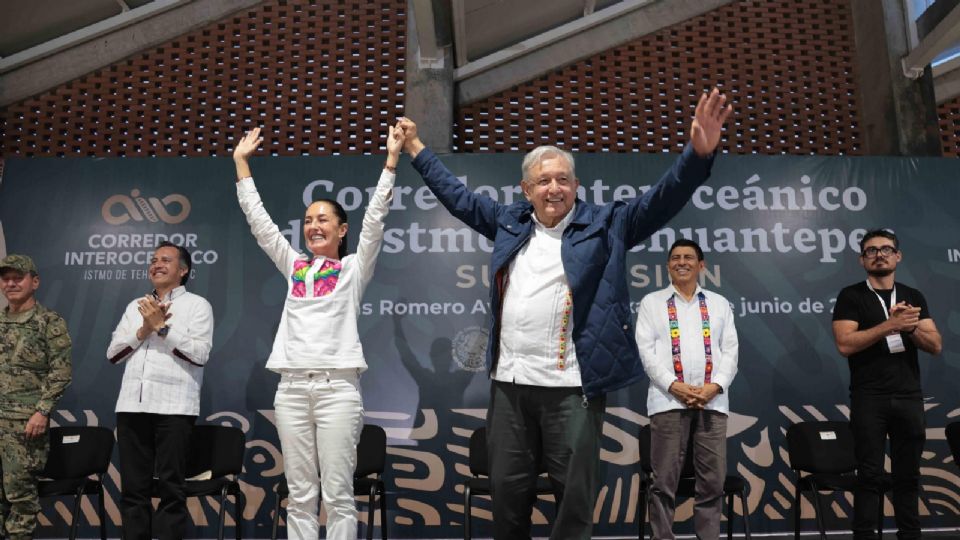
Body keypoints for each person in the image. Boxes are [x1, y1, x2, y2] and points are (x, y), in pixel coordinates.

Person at [397, 87, 732, 539]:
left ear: (576, 186)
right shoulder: (508, 222)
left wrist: (697, 154)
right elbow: (457, 196)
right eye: (543, 181)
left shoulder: (608, 224)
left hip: (572, 390)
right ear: (526, 190)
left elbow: (663, 199)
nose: (553, 188)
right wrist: (417, 148)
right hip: (510, 387)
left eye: (562, 179)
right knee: (507, 498)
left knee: (574, 503)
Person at [232, 124, 403, 539]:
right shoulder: (294, 267)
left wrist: (392, 162)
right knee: (301, 494)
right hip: (290, 390)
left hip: (337, 390)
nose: (313, 226)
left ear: (342, 230)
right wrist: (241, 165)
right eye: (308, 220)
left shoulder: (352, 270)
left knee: (339, 494)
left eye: (323, 219)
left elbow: (376, 220)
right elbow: (261, 225)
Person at [832, 229, 942, 540]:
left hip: (908, 396)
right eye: (871, 250)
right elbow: (845, 343)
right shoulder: (851, 296)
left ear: (898, 256)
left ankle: (910, 534)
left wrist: (908, 329)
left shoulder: (913, 296)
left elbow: (934, 345)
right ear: (861, 259)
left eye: (886, 249)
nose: (879, 254)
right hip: (870, 397)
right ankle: (865, 535)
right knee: (869, 475)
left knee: (908, 475)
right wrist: (890, 325)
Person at [106, 241, 214, 540]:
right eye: (153, 260)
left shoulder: (197, 306)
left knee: (170, 489)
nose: (156, 264)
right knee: (133, 490)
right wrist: (144, 328)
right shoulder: (135, 306)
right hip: (131, 406)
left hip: (174, 408)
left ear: (183, 270)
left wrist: (163, 329)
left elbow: (200, 354)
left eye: (165, 260)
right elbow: (113, 353)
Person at [634, 239, 738, 540]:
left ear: (701, 265)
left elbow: (730, 351)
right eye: (675, 257)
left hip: (712, 404)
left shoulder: (719, 304)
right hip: (667, 402)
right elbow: (646, 353)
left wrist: (714, 387)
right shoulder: (652, 303)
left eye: (689, 257)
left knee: (712, 483)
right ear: (668, 266)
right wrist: (674, 386)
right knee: (663, 483)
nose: (682, 262)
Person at [0, 254, 72, 540]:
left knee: (20, 499)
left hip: (25, 426)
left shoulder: (48, 322)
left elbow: (61, 372)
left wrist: (42, 411)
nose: (11, 283)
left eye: (18, 277)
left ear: (35, 282)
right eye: (6, 278)